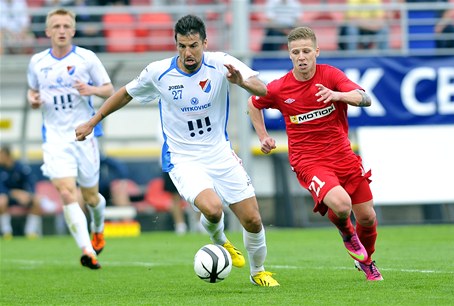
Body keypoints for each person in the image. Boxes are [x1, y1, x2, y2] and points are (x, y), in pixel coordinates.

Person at [76, 14, 279, 286]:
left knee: (253, 219)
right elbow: (124, 93)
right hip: (183, 158)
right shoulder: (158, 72)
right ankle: (221, 241)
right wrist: (93, 121)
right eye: (182, 46)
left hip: (219, 153)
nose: (188, 52)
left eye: (193, 45)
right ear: (176, 44)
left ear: (205, 43)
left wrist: (240, 80)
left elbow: (262, 89)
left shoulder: (221, 63)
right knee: (213, 208)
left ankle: (258, 272)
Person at [247, 26, 383, 281]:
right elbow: (253, 103)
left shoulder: (330, 76)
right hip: (309, 161)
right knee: (342, 206)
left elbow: (365, 98)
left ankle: (367, 260)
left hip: (343, 155)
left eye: (306, 51)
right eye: (296, 52)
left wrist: (337, 95)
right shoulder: (279, 88)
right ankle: (346, 234)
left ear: (316, 52)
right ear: (289, 55)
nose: (301, 56)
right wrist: (263, 135)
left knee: (367, 216)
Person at [27, 8, 115, 269]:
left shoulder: (87, 59)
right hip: (54, 138)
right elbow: (33, 92)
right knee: (66, 192)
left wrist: (91, 89)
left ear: (73, 30)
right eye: (56, 26)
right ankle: (87, 250)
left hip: (83, 135)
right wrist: (32, 100)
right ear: (47, 31)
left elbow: (109, 89)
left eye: (66, 26)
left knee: (91, 197)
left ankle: (98, 227)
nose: (61, 30)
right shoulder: (37, 63)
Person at [0, 145, 42, 239]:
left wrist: (28, 194)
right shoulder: (0, 169)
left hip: (23, 197)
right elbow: (1, 188)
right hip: (8, 197)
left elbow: (31, 183)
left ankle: (31, 232)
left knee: (37, 201)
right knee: (1, 201)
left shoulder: (21, 167)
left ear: (7, 156)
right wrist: (14, 193)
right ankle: (6, 232)